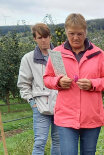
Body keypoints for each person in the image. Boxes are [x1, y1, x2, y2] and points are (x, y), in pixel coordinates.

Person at [43, 13, 104, 155]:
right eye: (72, 33)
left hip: (91, 117)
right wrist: (58, 82)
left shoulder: (99, 54)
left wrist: (92, 84)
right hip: (66, 117)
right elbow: (47, 78)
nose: (76, 37)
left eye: (79, 34)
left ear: (85, 32)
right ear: (66, 32)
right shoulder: (57, 53)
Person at [17, 23, 60, 155]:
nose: (44, 40)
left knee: (58, 142)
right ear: (35, 39)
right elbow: (23, 84)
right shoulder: (28, 58)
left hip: (60, 106)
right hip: (40, 107)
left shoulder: (59, 55)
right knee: (40, 142)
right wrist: (32, 103)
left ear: (50, 37)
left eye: (46, 37)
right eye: (40, 37)